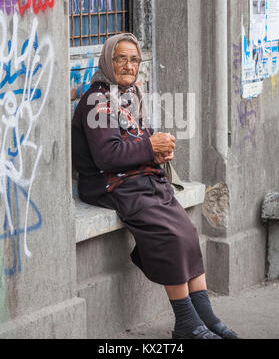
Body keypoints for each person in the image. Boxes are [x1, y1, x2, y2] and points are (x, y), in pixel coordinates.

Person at [71, 33, 238, 340]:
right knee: (169, 237)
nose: (128, 65)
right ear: (108, 60)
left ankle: (206, 316)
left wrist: (159, 149)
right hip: (109, 183)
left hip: (138, 179)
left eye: (134, 59)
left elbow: (139, 137)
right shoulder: (97, 100)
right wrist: (150, 147)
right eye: (120, 58)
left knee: (187, 233)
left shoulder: (129, 94)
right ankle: (187, 323)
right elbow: (108, 155)